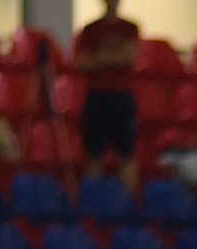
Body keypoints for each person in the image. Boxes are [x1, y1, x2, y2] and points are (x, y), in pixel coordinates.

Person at [74, 0, 142, 195]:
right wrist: (115, 57)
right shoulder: (90, 30)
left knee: (126, 153)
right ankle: (92, 200)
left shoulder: (130, 28)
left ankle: (127, 202)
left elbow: (130, 57)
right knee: (94, 154)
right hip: (97, 96)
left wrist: (102, 57)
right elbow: (83, 62)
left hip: (122, 97)